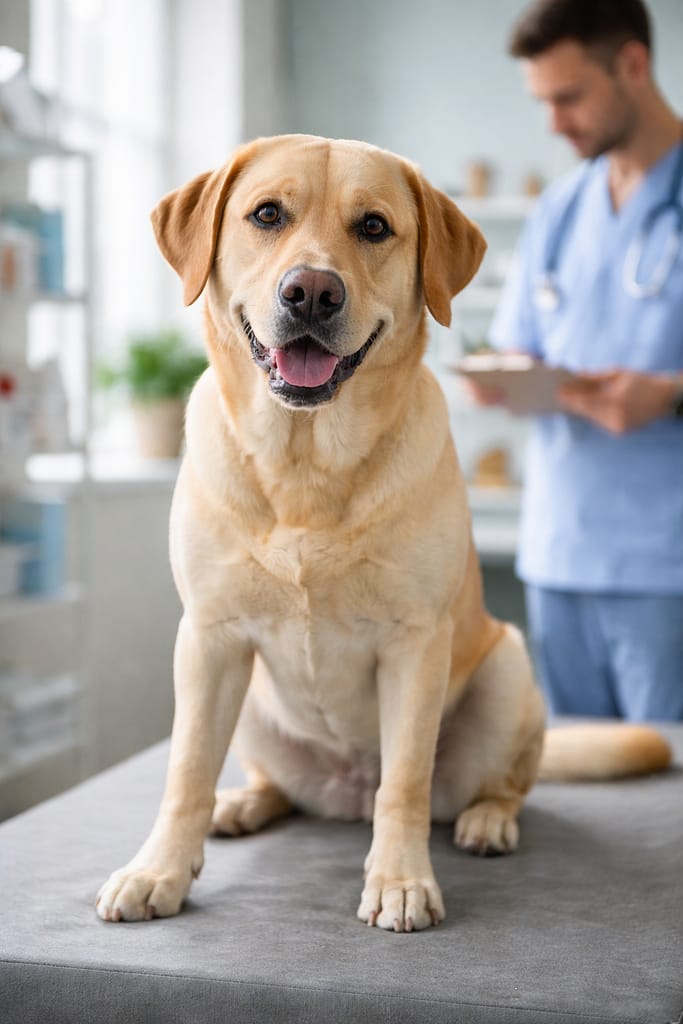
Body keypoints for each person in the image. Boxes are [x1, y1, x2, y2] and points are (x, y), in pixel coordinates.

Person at [473, 0, 683, 720]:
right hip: (559, 552)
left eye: (568, 97)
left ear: (631, 64)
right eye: (543, 102)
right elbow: (517, 345)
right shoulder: (558, 209)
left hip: (664, 565)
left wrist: (670, 397)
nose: (554, 123)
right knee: (581, 783)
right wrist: (499, 377)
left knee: (665, 798)